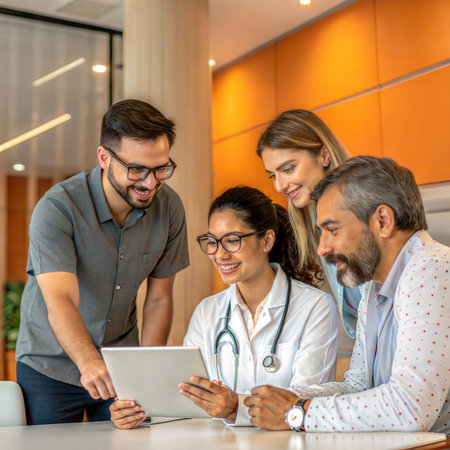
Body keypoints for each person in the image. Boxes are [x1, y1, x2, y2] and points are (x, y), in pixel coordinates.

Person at [16, 99, 190, 425]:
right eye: (136, 169)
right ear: (104, 157)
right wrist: (89, 362)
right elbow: (61, 301)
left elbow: (158, 300)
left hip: (121, 364)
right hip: (49, 365)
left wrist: (147, 374)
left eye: (161, 168)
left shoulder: (169, 208)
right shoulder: (58, 208)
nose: (150, 183)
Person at [245, 156, 449, 433]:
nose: (322, 248)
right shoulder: (374, 287)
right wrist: (283, 400)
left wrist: (298, 413)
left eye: (332, 230)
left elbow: (410, 408)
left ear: (383, 220)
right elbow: (358, 386)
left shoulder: (431, 268)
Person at [110, 186, 338, 428]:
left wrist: (235, 408)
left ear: (267, 240)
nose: (219, 254)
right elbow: (188, 397)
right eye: (212, 242)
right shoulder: (207, 312)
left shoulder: (315, 307)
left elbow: (304, 402)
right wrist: (142, 411)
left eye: (232, 241)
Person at [257, 109, 361, 340]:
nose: (280, 186)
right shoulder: (315, 225)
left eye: (288, 169)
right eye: (272, 175)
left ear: (323, 156)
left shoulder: (368, 212)